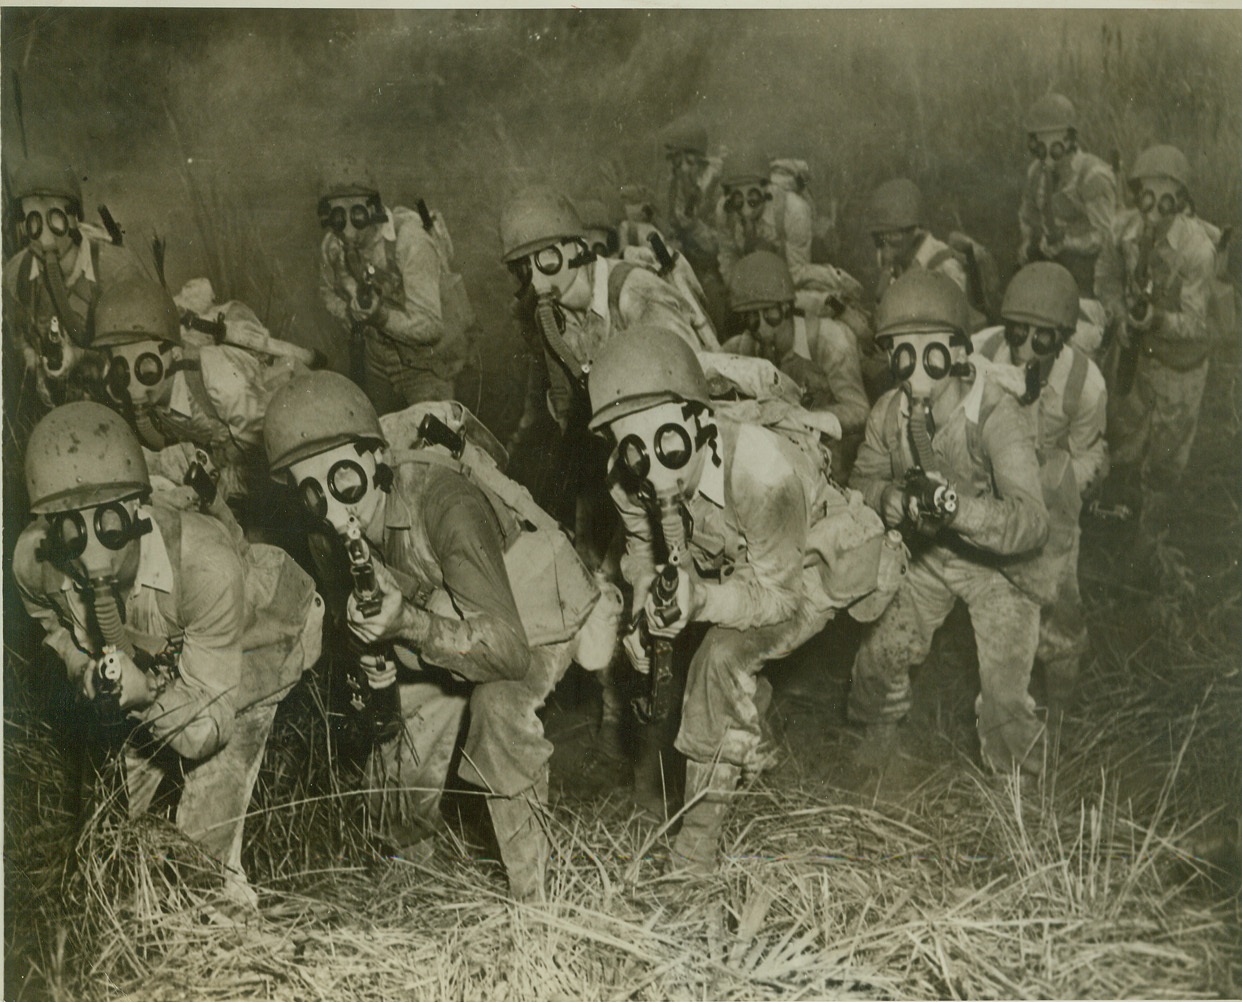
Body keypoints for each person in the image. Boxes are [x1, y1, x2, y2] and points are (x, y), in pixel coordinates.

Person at [263, 371, 619, 901]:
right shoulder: (328, 534)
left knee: (497, 709)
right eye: (312, 493)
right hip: (442, 629)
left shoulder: (444, 501)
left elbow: (506, 649)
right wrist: (374, 655)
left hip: (533, 611)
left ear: (376, 459)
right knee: (396, 756)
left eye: (342, 480)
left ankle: (537, 901)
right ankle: (412, 874)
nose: (332, 506)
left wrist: (405, 623)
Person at [589, 324, 900, 873]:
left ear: (700, 420)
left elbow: (777, 597)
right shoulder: (627, 479)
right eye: (633, 450)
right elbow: (639, 550)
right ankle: (745, 736)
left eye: (666, 443)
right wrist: (642, 615)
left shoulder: (761, 470)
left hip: (807, 565)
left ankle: (695, 853)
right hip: (729, 567)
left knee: (722, 659)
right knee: (716, 668)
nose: (651, 467)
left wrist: (702, 602)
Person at [13, 402, 323, 907]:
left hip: (262, 636)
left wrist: (149, 697)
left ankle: (224, 922)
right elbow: (50, 624)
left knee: (201, 841)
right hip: (158, 657)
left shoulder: (205, 565)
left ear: (139, 512)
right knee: (109, 832)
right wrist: (82, 668)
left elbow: (206, 728)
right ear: (48, 530)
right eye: (71, 528)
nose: (91, 550)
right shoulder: (36, 561)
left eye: (109, 525)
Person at [848, 271, 1052, 778]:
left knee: (1006, 697)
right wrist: (889, 499)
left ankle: (1019, 797)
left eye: (930, 350)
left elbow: (1031, 521)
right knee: (877, 662)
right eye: (902, 351)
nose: (915, 366)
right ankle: (879, 753)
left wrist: (959, 509)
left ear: (959, 351)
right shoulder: (888, 413)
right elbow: (860, 481)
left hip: (999, 570)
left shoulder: (995, 416)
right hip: (926, 557)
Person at [973, 262, 1108, 713]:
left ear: (1065, 336)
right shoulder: (981, 353)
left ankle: (1063, 703)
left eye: (1042, 338)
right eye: (1017, 333)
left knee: (1058, 604)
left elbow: (1091, 454)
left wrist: (1058, 480)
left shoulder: (1085, 386)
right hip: (992, 491)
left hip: (1052, 504)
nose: (1025, 349)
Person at [93, 277, 303, 532]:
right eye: (121, 370)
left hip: (275, 467)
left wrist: (217, 498)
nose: (131, 385)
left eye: (145, 366)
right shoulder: (133, 393)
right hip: (219, 461)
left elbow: (270, 453)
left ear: (176, 353)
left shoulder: (220, 381)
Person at [1096, 144, 1217, 557]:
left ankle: (1150, 546)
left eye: (1169, 198)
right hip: (1137, 352)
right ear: (1135, 193)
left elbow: (1198, 322)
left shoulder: (1196, 250)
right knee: (1122, 432)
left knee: (1166, 457)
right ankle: (1115, 515)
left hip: (1180, 364)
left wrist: (1159, 320)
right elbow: (1107, 280)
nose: (1156, 207)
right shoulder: (1121, 231)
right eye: (1148, 194)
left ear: (1183, 202)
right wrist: (1119, 315)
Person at [317, 167, 478, 414]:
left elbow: (432, 327)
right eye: (339, 215)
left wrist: (379, 317)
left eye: (356, 212)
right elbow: (327, 291)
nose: (347, 226)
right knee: (380, 438)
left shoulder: (410, 242)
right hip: (377, 363)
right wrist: (350, 314)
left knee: (434, 443)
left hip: (428, 365)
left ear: (373, 209)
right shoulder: (333, 246)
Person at [3, 154, 146, 408]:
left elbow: (142, 360)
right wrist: (37, 363)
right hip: (62, 408)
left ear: (73, 218)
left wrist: (81, 357)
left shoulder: (115, 270)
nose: (44, 234)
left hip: (123, 402)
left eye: (54, 217)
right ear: (23, 226)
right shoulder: (18, 276)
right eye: (33, 220)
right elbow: (20, 339)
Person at [722, 250, 869, 478]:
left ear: (787, 307)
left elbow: (859, 411)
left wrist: (805, 418)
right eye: (751, 317)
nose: (761, 327)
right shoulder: (744, 346)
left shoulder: (829, 340)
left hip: (833, 460)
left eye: (769, 313)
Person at [714, 154, 863, 326]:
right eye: (738, 199)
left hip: (793, 269)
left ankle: (845, 293)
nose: (746, 208)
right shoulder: (725, 213)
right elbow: (728, 258)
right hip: (754, 272)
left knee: (799, 304)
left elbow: (796, 273)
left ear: (766, 190)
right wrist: (739, 291)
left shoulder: (794, 211)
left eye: (753, 197)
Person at [1017, 94, 1117, 297]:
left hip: (1090, 272)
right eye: (1039, 145)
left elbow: (1106, 237)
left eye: (1054, 145)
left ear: (1070, 140)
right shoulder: (1035, 171)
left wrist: (1067, 242)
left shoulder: (1093, 176)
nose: (1046, 153)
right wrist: (1028, 241)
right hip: (1050, 265)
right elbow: (1027, 215)